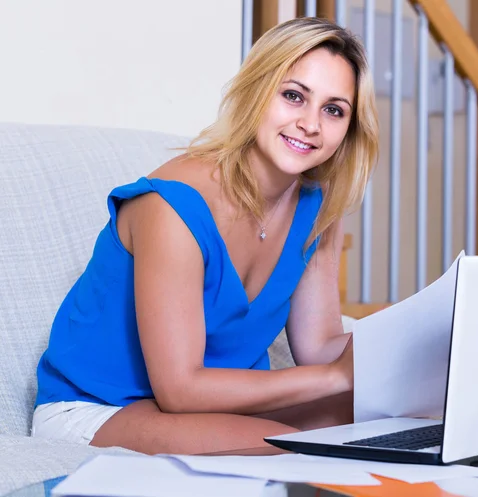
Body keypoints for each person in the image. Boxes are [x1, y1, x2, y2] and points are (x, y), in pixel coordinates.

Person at [31, 16, 379, 455]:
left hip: (222, 409)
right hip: (100, 407)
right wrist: (337, 378)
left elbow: (319, 345)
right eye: (293, 96)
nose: (311, 124)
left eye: (333, 110)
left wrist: (422, 342)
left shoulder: (318, 205)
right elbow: (180, 390)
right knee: (292, 449)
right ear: (257, 92)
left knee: (386, 416)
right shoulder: (172, 205)